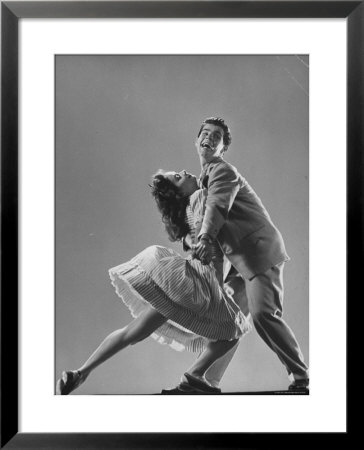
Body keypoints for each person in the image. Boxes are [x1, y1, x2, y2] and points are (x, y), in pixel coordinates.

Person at [56, 169, 251, 395]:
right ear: (179, 194)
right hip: (200, 283)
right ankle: (195, 375)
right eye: (178, 177)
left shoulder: (192, 205)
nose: (184, 172)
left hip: (186, 283)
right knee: (233, 331)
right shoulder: (200, 197)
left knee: (134, 331)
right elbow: (209, 228)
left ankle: (80, 373)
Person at [163, 117, 309, 394]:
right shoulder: (204, 182)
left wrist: (205, 237)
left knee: (264, 315)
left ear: (223, 147)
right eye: (205, 133)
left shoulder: (222, 171)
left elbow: (219, 207)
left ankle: (302, 377)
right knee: (227, 323)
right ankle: (200, 380)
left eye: (217, 136)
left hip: (259, 253)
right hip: (240, 265)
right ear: (196, 141)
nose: (209, 138)